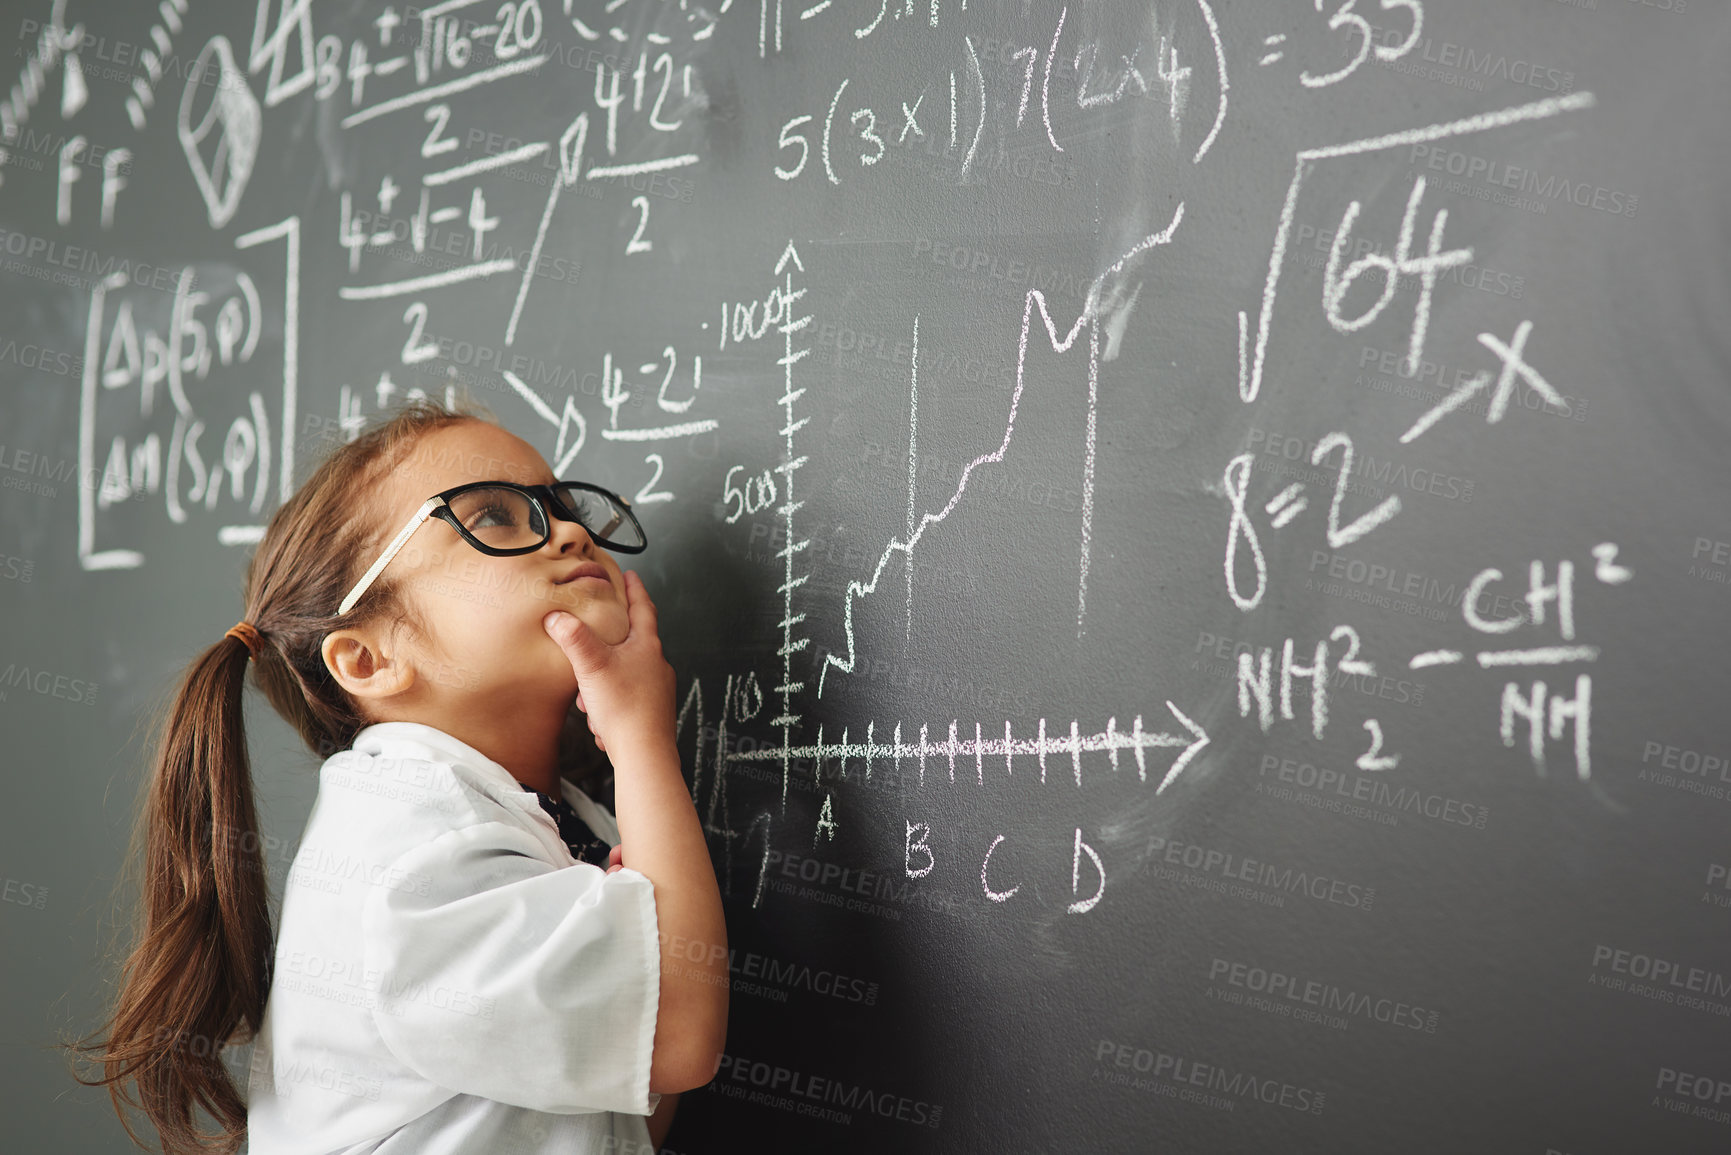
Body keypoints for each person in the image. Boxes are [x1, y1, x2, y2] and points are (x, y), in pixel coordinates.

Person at [67, 396, 728, 1154]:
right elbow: (676, 1037)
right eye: (493, 517)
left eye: (560, 504)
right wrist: (642, 736)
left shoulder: (550, 818)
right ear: (367, 659)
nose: (572, 529)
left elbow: (629, 1106)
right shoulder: (409, 848)